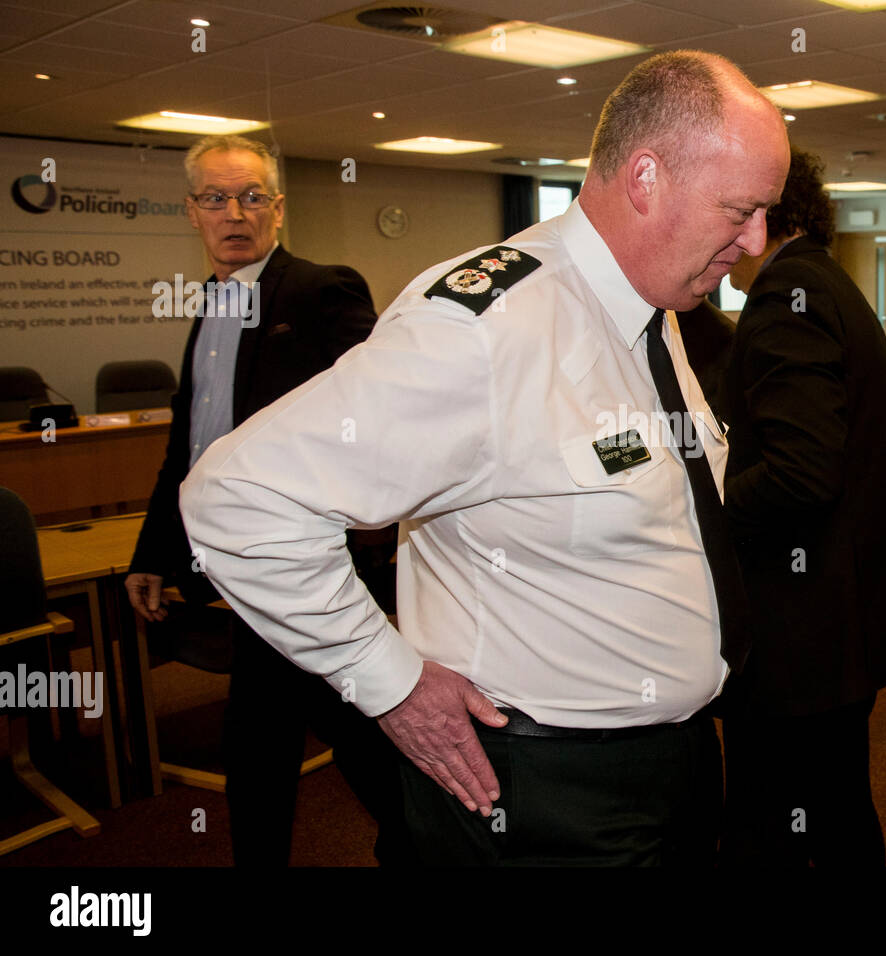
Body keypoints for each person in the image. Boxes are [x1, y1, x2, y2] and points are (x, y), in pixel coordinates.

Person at [179, 51, 790, 866]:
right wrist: (386, 680)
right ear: (646, 179)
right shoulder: (485, 329)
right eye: (739, 210)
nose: (754, 243)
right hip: (537, 793)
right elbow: (236, 500)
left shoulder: (652, 304)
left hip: (668, 764)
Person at [124, 134, 402, 866]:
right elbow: (190, 447)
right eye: (216, 198)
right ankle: (427, 838)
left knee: (296, 729)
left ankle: (429, 838)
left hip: (301, 561)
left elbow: (374, 406)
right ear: (192, 213)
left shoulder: (320, 290)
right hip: (235, 566)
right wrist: (154, 551)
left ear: (277, 208)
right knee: (302, 726)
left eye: (252, 196)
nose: (234, 213)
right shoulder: (206, 309)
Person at [717, 146, 886, 867]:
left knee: (773, 821)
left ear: (757, 218)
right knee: (837, 811)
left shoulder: (784, 298)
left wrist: (707, 509)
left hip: (800, 630)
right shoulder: (824, 280)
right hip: (843, 616)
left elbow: (800, 472)